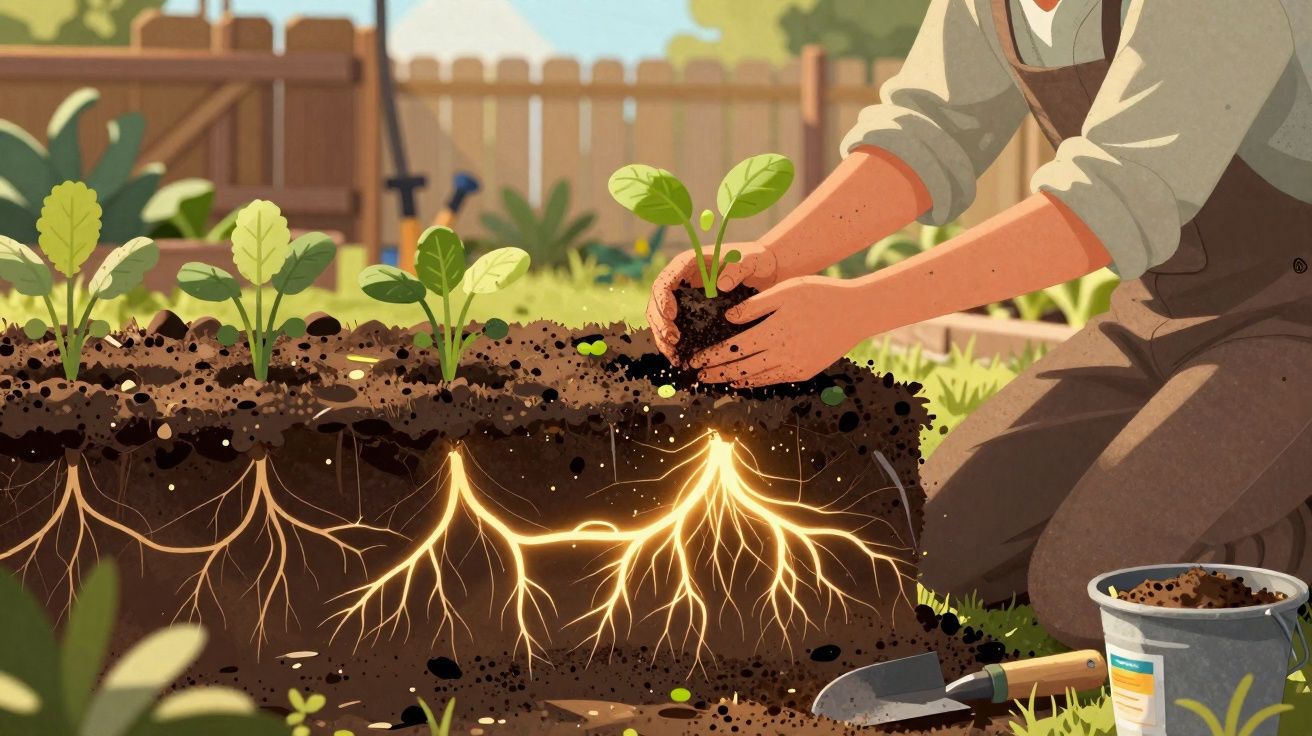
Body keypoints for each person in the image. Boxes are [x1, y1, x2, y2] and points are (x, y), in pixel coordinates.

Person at [647, 0, 1312, 648]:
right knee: (938, 546)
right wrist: (777, 258)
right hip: (1160, 316)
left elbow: (1114, 198)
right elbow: (926, 131)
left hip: (1294, 326)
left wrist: (856, 308)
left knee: (1094, 587)